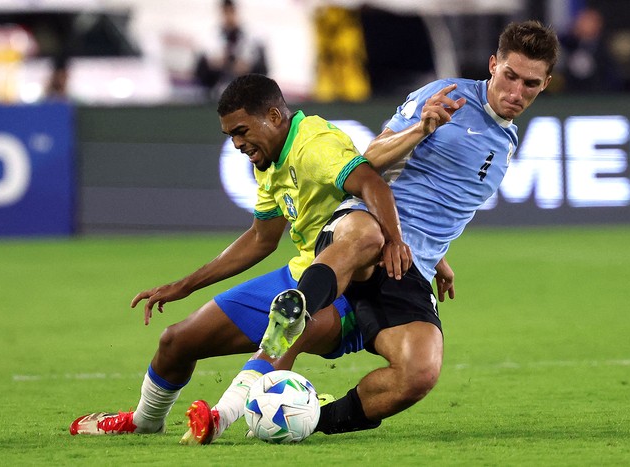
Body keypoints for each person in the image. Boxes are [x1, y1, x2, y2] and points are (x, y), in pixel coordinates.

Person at [182, 19, 560, 440]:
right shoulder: (447, 98)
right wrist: (422, 127)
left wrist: (438, 257)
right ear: (493, 64)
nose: (515, 92)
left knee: (419, 372)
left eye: (530, 83)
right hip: (362, 228)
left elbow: (437, 205)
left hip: (410, 264)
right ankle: (297, 305)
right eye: (509, 76)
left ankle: (309, 420)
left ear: (544, 84)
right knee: (365, 240)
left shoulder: (507, 140)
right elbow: (371, 159)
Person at [69, 73, 410, 438]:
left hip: (343, 289)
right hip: (298, 274)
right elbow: (261, 239)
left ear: (275, 117)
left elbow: (371, 181)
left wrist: (394, 241)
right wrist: (185, 286)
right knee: (176, 341)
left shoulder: (315, 145)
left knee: (284, 337)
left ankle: (220, 417)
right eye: (230, 134)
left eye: (242, 131)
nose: (236, 143)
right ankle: (144, 421)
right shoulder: (270, 160)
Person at [194, 0, 268, 99]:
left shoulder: (252, 38)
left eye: (231, 11)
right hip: (216, 94)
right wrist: (213, 65)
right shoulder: (211, 39)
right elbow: (199, 73)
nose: (229, 16)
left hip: (247, 96)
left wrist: (249, 68)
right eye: (226, 12)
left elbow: (263, 70)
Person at [558, 7, 620, 93]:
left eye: (589, 22)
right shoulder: (568, 43)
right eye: (582, 21)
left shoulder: (604, 48)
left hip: (596, 95)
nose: (583, 24)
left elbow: (611, 77)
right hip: (569, 94)